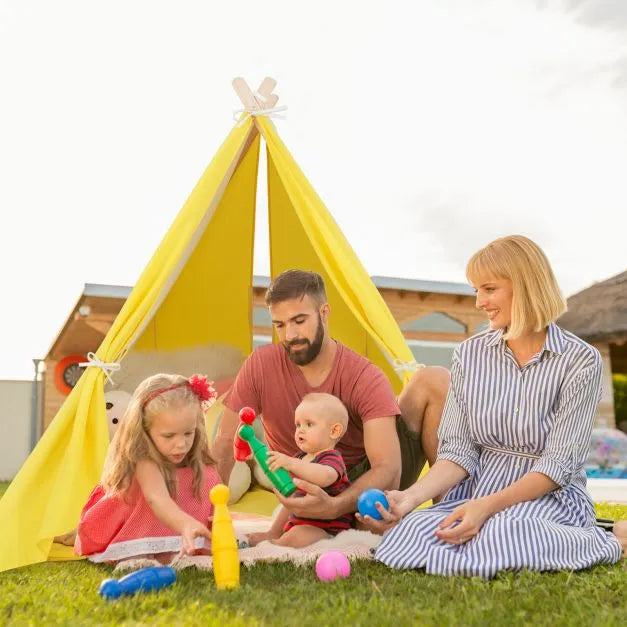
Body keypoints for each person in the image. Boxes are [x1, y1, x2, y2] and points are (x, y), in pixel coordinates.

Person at [359, 235, 623, 578]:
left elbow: (558, 465)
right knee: (409, 532)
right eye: (476, 291)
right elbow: (457, 452)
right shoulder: (469, 355)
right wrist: (408, 499)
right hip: (478, 489)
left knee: (506, 532)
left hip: (547, 497)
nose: (480, 302)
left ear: (525, 286)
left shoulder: (580, 360)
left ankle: (605, 540)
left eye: (489, 289)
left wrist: (487, 507)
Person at [211, 269, 450, 530]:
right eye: (279, 325)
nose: (290, 335)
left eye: (299, 320)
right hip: (305, 477)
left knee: (434, 379)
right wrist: (207, 516)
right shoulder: (260, 365)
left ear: (324, 313)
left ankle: (445, 518)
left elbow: (388, 470)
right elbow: (224, 443)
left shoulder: (363, 375)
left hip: (361, 480)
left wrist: (334, 507)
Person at [74, 373, 221, 565]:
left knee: (206, 474)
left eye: (188, 433)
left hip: (174, 519)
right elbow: (157, 498)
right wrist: (185, 523)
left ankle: (176, 541)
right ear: (144, 430)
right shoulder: (143, 457)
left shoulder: (193, 457)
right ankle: (150, 544)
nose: (181, 444)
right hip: (128, 520)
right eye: (168, 436)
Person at [248, 393, 353, 547]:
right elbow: (291, 502)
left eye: (309, 424)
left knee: (299, 536)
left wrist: (290, 463)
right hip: (299, 524)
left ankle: (273, 546)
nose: (300, 431)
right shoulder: (299, 458)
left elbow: (325, 476)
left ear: (334, 431)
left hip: (328, 530)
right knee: (292, 513)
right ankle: (274, 536)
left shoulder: (331, 458)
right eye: (298, 425)